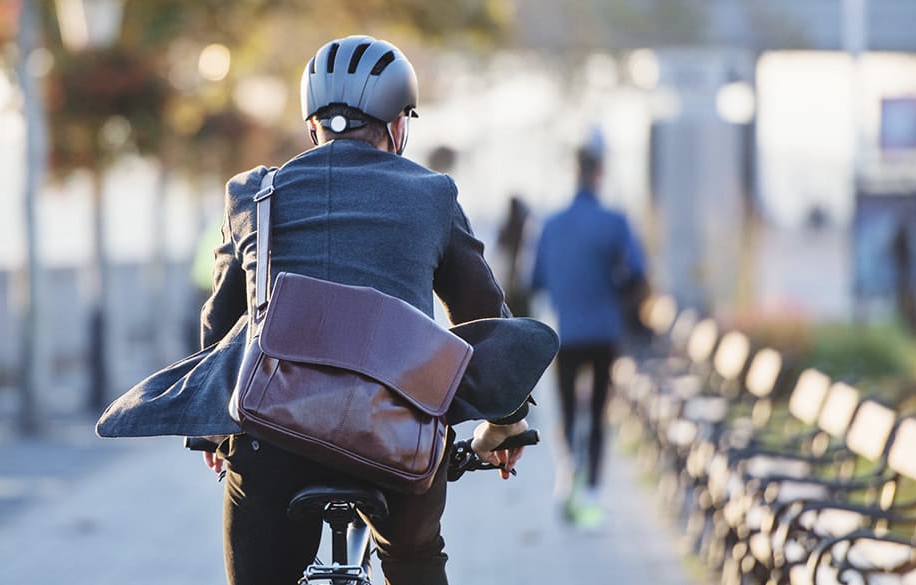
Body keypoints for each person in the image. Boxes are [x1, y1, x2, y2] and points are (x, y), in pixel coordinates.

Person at [198, 36, 529, 585]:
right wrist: (505, 423)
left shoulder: (255, 194)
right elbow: (485, 321)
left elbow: (221, 327)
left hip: (272, 442)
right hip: (398, 440)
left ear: (312, 128)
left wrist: (211, 431)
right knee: (415, 557)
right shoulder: (432, 195)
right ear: (399, 127)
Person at [529, 141, 646, 529]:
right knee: (596, 412)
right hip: (604, 331)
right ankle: (593, 491)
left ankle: (567, 475)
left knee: (564, 409)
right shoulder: (615, 222)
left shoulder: (552, 223)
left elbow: (537, 279)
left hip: (566, 332)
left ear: (574, 172)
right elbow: (636, 275)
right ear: (599, 174)